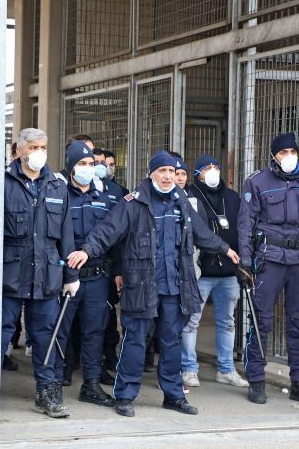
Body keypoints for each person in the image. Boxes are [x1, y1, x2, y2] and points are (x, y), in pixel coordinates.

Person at [68, 150, 239, 417]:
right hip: (142, 286)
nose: (168, 176)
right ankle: (125, 396)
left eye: (172, 172)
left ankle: (173, 396)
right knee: (135, 340)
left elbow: (200, 232)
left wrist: (225, 249)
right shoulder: (134, 203)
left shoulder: (180, 201)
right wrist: (87, 251)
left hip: (173, 287)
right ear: (152, 174)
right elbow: (107, 232)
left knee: (170, 342)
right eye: (163, 171)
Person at [0, 127, 79, 418]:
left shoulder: (57, 185)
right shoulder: (1, 182)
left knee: (46, 335)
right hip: (9, 273)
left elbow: (66, 234)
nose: (39, 153)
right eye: (33, 147)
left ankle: (47, 393)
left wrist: (71, 276)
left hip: (47, 274)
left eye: (43, 147)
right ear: (19, 150)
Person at [237, 132, 299, 405]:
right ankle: (256, 380)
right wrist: (245, 262)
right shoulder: (257, 182)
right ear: (273, 156)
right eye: (283, 153)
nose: (288, 157)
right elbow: (246, 225)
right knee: (261, 321)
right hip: (270, 260)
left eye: (292, 151)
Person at [54, 141, 116, 407]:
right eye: (82, 164)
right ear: (70, 167)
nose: (88, 169)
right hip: (66, 278)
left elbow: (112, 238)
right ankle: (52, 384)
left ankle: (90, 385)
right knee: (59, 331)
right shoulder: (59, 197)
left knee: (94, 332)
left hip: (97, 278)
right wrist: (67, 274)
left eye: (91, 164)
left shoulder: (102, 199)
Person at [180, 154, 249, 390]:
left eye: (216, 167)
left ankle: (226, 369)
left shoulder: (231, 197)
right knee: (191, 321)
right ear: (197, 173)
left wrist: (243, 263)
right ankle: (189, 369)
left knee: (227, 322)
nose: (213, 171)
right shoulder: (189, 196)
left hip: (229, 272)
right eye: (207, 168)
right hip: (201, 272)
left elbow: (242, 229)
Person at [92, 147, 129, 373]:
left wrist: (119, 269)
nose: (102, 167)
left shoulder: (119, 192)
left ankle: (108, 359)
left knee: (107, 321)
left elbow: (122, 238)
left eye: (105, 163)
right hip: (86, 264)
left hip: (109, 264)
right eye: (96, 162)